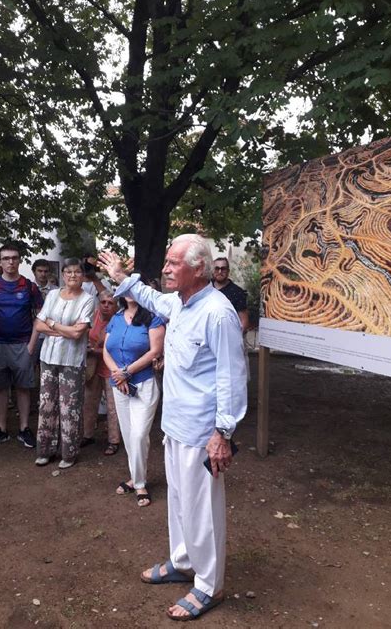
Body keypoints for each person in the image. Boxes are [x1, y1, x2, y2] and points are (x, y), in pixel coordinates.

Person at [98, 234, 247, 619]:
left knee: (202, 510)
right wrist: (120, 274)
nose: (165, 269)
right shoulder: (178, 305)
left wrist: (223, 434)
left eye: (173, 262)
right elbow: (147, 297)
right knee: (179, 502)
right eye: (166, 261)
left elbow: (232, 377)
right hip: (176, 426)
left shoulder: (218, 312)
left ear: (198, 269)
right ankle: (183, 563)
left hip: (203, 432)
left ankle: (209, 586)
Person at [103, 283, 165, 507]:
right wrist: (117, 375)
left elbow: (155, 352)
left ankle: (139, 482)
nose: (130, 293)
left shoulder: (153, 318)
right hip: (119, 385)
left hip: (142, 384)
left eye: (134, 288)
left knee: (139, 435)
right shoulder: (116, 318)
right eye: (126, 288)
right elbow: (105, 350)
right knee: (129, 435)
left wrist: (127, 372)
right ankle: (136, 478)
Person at [34, 258, 94, 469]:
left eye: (77, 272)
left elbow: (78, 333)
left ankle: (68, 453)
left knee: (70, 407)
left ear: (82, 275)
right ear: (62, 274)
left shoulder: (87, 299)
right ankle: (45, 450)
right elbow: (39, 325)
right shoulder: (52, 294)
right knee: (46, 405)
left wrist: (52, 324)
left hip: (72, 360)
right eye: (68, 272)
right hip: (48, 357)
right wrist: (61, 329)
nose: (72, 275)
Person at [0, 243, 43, 449]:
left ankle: (24, 429)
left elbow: (40, 317)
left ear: (19, 260)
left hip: (22, 344)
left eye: (14, 258)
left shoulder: (29, 286)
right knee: (0, 388)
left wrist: (32, 345)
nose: (10, 262)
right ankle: (2, 429)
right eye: (6, 258)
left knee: (23, 388)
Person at [81, 291, 121, 454]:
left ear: (116, 305)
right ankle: (87, 434)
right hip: (92, 366)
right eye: (103, 302)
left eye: (110, 303)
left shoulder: (119, 320)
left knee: (112, 406)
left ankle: (114, 440)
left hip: (111, 367)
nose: (106, 305)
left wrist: (94, 350)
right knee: (89, 402)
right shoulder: (93, 316)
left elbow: (116, 345)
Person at [212, 257, 249, 332]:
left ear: (228, 271)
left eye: (223, 269)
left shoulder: (237, 292)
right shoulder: (206, 287)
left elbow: (243, 321)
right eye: (217, 268)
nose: (219, 271)